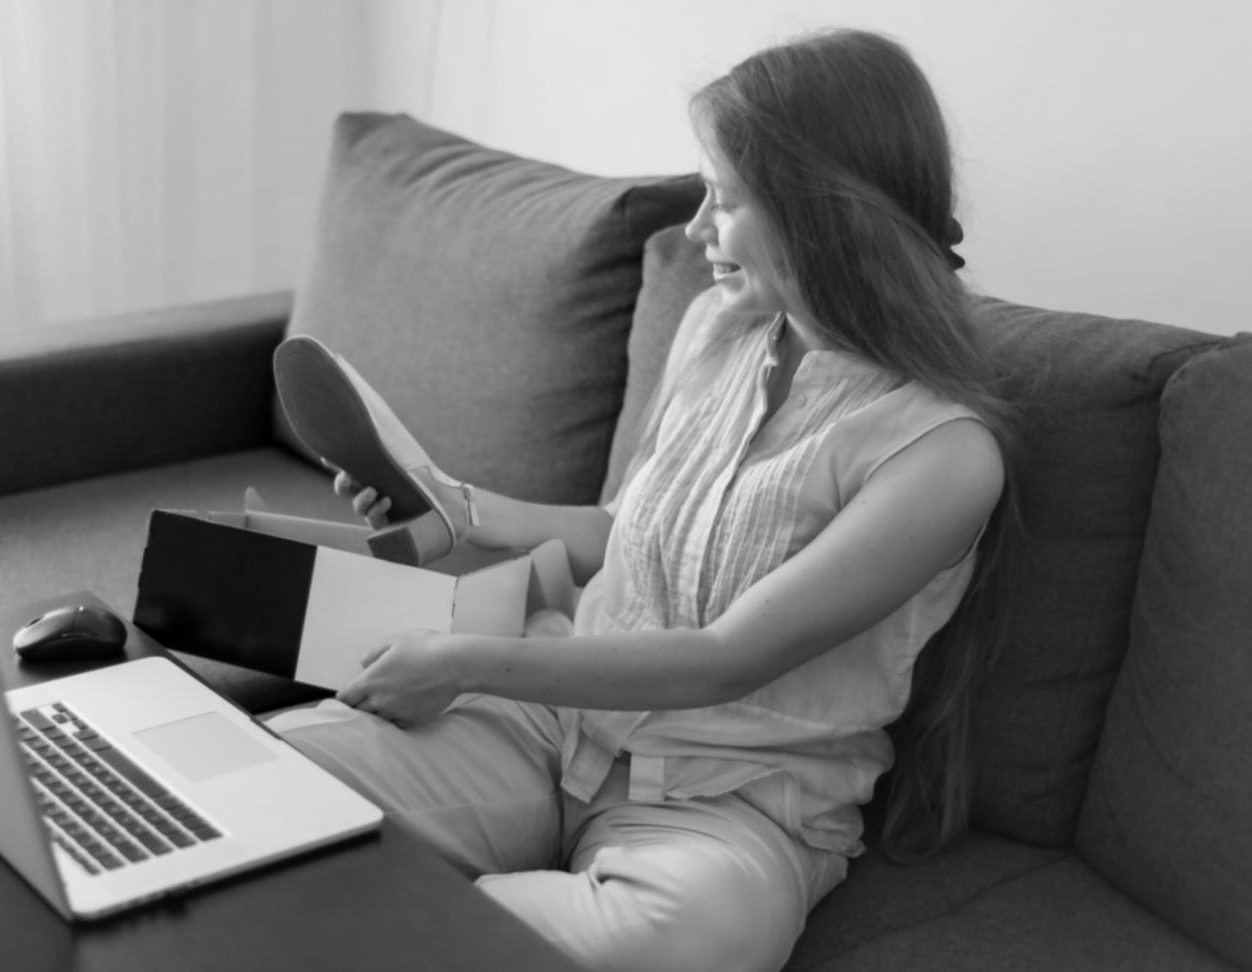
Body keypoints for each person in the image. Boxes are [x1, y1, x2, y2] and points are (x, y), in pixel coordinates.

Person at [268, 27, 1020, 972]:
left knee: (689, 936)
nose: (696, 230)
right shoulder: (716, 327)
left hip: (729, 806)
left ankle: (384, 918)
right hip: (551, 728)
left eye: (728, 200)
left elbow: (722, 660)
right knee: (268, 787)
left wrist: (466, 660)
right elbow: (627, 538)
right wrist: (456, 509)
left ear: (822, 214)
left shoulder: (942, 456)